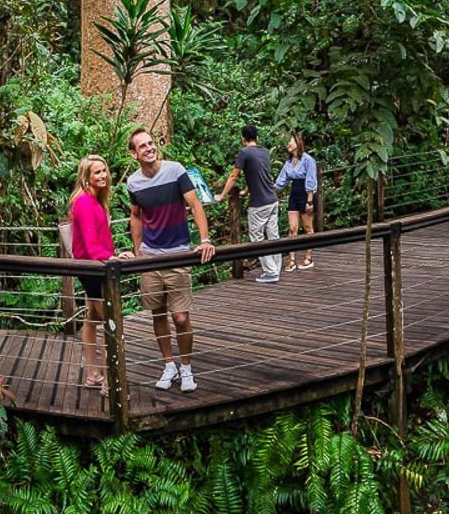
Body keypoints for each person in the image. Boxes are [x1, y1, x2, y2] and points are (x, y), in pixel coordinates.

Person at [127, 127, 215, 393]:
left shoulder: (176, 170)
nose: (150, 148)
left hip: (177, 252)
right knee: (158, 314)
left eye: (151, 143)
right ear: (134, 154)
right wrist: (138, 250)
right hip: (151, 257)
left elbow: (195, 204)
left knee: (180, 317)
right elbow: (136, 215)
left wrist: (205, 239)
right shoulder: (134, 183)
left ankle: (186, 368)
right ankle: (169, 365)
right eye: (143, 146)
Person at [69, 154, 117, 389]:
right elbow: (89, 243)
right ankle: (110, 384)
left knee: (92, 318)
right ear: (86, 177)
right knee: (110, 321)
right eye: (97, 172)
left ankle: (93, 373)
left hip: (96, 266)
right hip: (93, 268)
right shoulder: (85, 202)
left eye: (104, 171)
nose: (103, 175)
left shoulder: (95, 200)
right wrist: (112, 258)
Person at [215, 124, 281, 283]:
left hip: (259, 204)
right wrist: (246, 191)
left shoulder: (244, 153)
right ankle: (275, 268)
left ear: (243, 138)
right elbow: (258, 173)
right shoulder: (264, 152)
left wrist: (222, 195)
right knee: (273, 237)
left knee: (257, 238)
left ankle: (271, 273)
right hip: (272, 200)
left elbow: (233, 176)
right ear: (256, 137)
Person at [274, 130, 317, 271]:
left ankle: (308, 257)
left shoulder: (308, 160)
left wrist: (310, 201)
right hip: (294, 194)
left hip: (305, 194)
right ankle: (291, 260)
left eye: (290, 141)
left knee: (307, 227)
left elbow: (311, 180)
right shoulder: (288, 163)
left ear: (297, 142)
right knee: (292, 228)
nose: (287, 144)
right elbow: (281, 182)